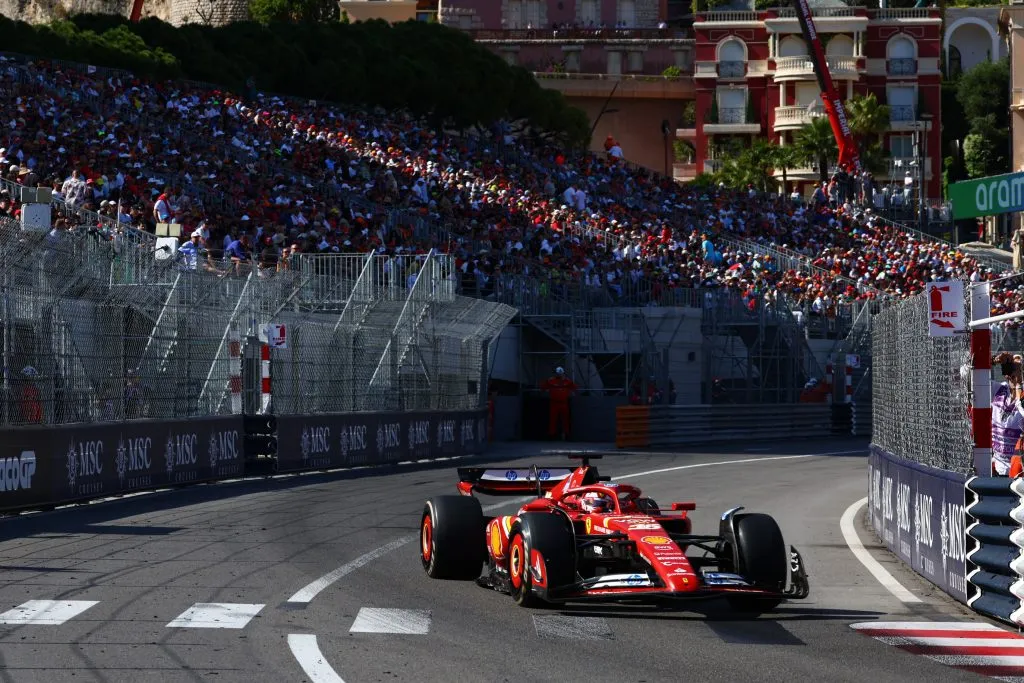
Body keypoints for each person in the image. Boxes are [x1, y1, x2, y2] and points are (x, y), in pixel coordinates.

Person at [991, 352, 1024, 475]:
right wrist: (993, 360)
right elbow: (964, 375)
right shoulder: (998, 390)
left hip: (1020, 470)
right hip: (999, 468)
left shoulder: (1023, 395)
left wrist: (1018, 385)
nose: (1016, 371)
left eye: (1020, 368)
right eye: (1013, 367)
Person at [541, 367, 577, 440]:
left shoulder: (567, 381)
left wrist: (571, 391)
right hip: (554, 403)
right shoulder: (551, 380)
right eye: (558, 373)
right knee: (553, 420)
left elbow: (575, 387)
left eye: (561, 373)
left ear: (563, 373)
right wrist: (546, 389)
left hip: (564, 403)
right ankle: (552, 435)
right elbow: (543, 387)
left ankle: (567, 435)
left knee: (565, 420)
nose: (559, 375)